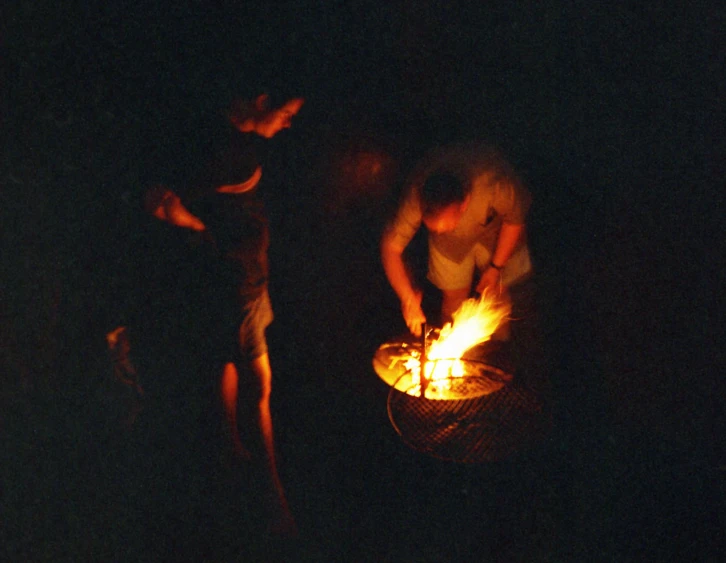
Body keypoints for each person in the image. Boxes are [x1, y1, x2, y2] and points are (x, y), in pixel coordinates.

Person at [144, 93, 304, 537]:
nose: (289, 123)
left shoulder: (225, 132)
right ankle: (274, 499)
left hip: (240, 276)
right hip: (239, 284)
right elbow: (159, 199)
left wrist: (198, 224)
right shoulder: (228, 151)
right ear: (260, 99)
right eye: (287, 113)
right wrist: (190, 222)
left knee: (225, 355)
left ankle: (230, 445)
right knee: (261, 386)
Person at [381, 141, 533, 339]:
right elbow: (391, 247)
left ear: (465, 202)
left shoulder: (492, 183)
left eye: (447, 225)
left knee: (496, 292)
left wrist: (495, 268)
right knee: (453, 297)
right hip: (449, 248)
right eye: (435, 229)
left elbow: (514, 220)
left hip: (493, 231)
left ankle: (496, 351)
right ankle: (451, 351)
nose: (442, 230)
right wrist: (408, 299)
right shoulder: (418, 194)